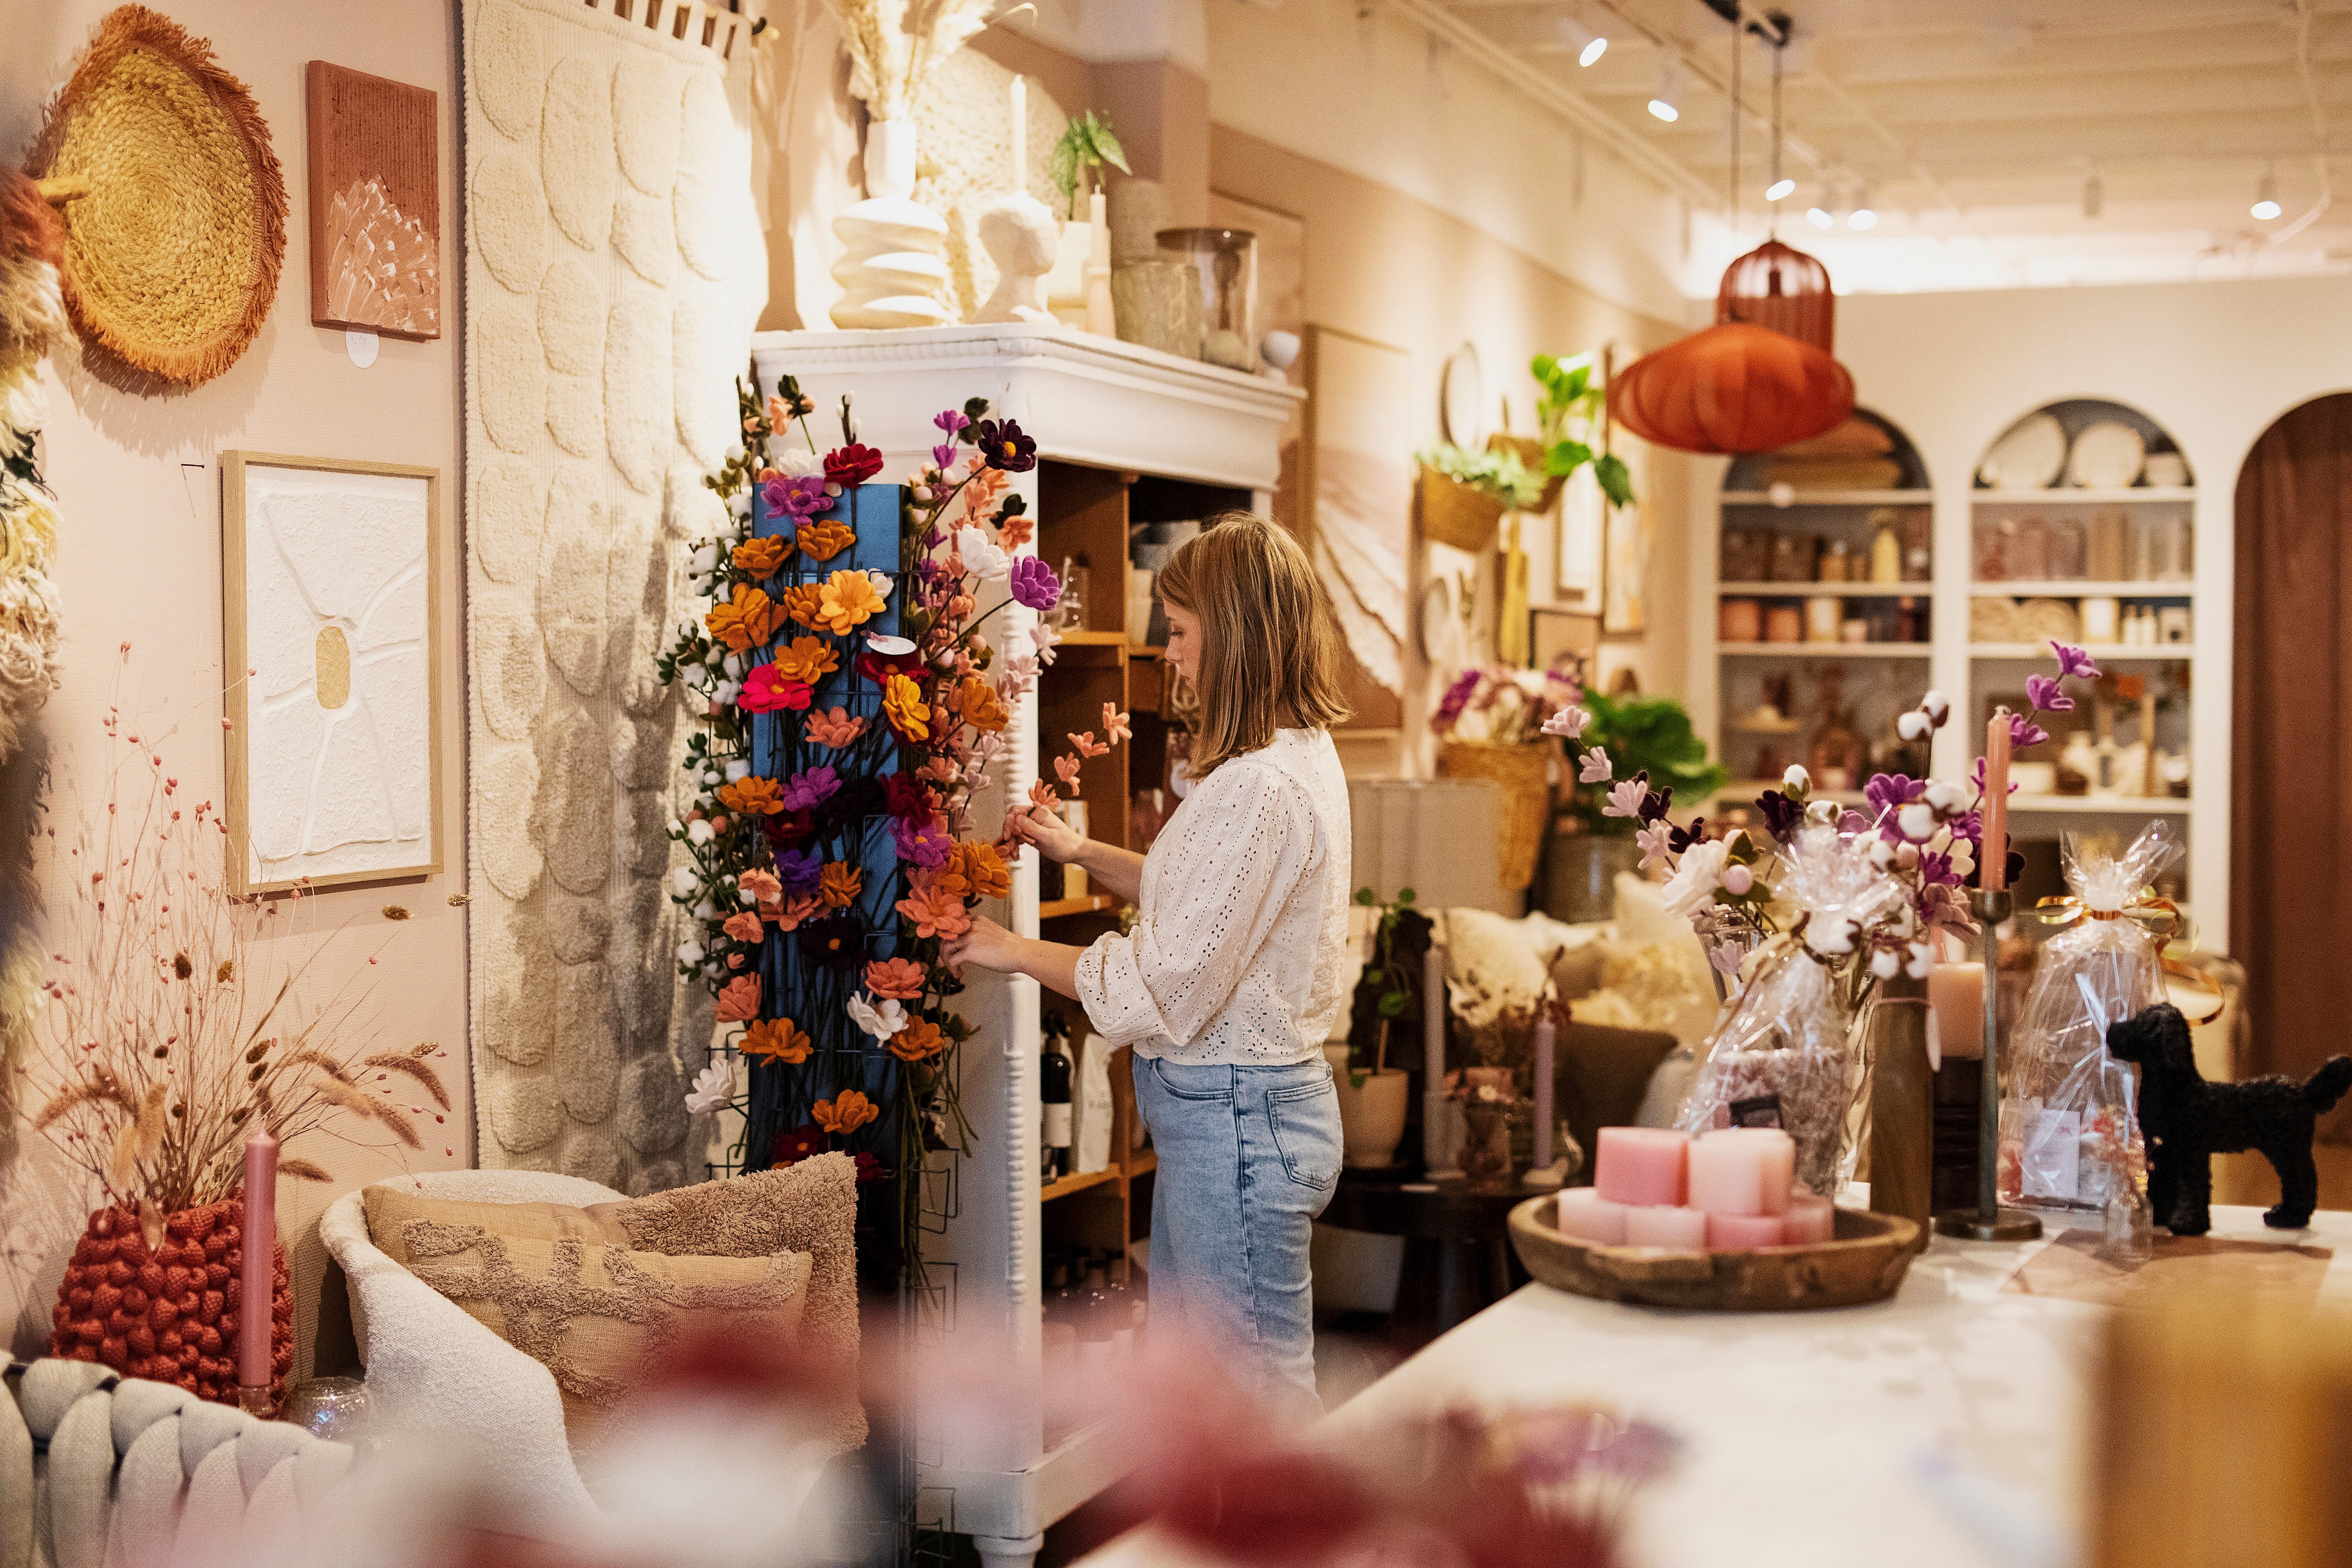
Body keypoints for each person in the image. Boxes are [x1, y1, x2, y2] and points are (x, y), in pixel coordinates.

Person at [943, 512, 1354, 1408]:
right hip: (1249, 1120)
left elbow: (1161, 987)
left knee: (1252, 1413)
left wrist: (1006, 947)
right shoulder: (1297, 756)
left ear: (1235, 633)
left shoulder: (1257, 786)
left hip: (1237, 1128)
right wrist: (1081, 852)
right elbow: (1211, 904)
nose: (1170, 653)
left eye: (1180, 630)